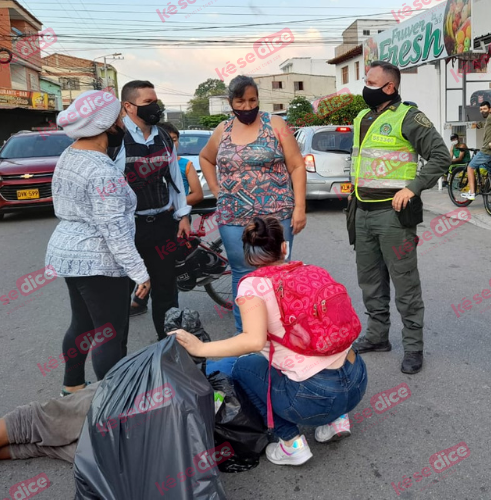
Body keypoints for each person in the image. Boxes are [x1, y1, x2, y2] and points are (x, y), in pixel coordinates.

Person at [174, 216, 367, 466]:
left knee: (243, 367)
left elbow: (253, 341)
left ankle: (291, 443)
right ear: (284, 247)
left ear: (247, 255)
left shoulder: (252, 286)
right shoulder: (312, 270)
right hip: (357, 380)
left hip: (314, 397)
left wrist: (201, 348)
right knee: (325, 349)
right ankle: (337, 421)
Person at [46, 90, 151, 396]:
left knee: (82, 324)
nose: (123, 123)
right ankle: (112, 400)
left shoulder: (69, 156)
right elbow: (114, 229)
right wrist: (139, 272)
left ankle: (73, 386)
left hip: (69, 255)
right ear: (105, 125)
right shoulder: (103, 171)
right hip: (99, 261)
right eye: (119, 117)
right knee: (110, 333)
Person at [349, 60, 451, 374]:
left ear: (389, 87)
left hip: (393, 217)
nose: (365, 86)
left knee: (405, 285)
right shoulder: (362, 117)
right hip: (362, 212)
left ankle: (414, 348)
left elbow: (440, 156)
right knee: (370, 282)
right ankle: (378, 336)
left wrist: (414, 187)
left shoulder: (409, 117)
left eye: (371, 81)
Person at [198, 76, 306, 334]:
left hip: (276, 216)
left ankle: (280, 334)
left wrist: (300, 206)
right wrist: (217, 190)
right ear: (230, 102)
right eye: (240, 101)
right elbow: (205, 157)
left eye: (252, 100)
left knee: (277, 272)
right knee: (242, 273)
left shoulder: (276, 124)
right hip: (233, 217)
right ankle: (246, 334)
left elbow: (296, 165)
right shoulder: (222, 129)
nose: (247, 107)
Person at [109, 81, 191, 340]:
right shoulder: (116, 139)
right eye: (147, 103)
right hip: (127, 229)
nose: (155, 107)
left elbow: (175, 179)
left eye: (155, 101)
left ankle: (168, 351)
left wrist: (183, 216)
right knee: (120, 294)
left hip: (162, 225)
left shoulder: (164, 136)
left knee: (166, 291)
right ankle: (116, 362)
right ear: (128, 106)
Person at [130, 121, 204, 316]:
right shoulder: (143, 163)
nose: (172, 144)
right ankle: (140, 298)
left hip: (173, 222)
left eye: (174, 140)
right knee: (144, 267)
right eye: (168, 140)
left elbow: (196, 194)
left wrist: (178, 208)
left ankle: (168, 323)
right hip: (143, 224)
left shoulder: (184, 165)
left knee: (167, 276)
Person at [461, 101, 491, 201]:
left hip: (487, 151)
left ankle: (472, 193)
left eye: (484, 109)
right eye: (481, 109)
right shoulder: (488, 120)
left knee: (470, 167)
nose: (482, 111)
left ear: (490, 109)